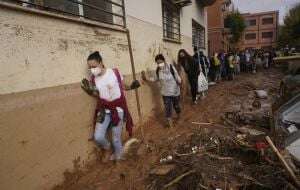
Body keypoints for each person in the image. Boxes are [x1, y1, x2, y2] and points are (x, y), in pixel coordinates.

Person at [81, 51, 140, 162]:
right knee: (98, 136)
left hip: (118, 110)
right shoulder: (93, 79)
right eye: (90, 68)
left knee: (116, 139)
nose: (92, 69)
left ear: (101, 63)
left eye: (94, 66)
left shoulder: (114, 72)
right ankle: (107, 148)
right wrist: (90, 91)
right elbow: (97, 95)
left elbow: (123, 86)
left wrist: (132, 86)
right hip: (103, 110)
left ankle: (119, 158)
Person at [142, 54, 182, 127]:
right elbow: (155, 79)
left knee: (176, 106)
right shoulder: (158, 70)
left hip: (175, 91)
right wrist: (146, 78)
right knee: (168, 108)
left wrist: (179, 81)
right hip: (165, 93)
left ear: (164, 60)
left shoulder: (170, 67)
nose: (159, 64)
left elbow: (176, 75)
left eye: (160, 62)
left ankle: (179, 116)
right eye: (158, 63)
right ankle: (170, 125)